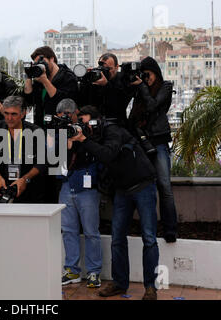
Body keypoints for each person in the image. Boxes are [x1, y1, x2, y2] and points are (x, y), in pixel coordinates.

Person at [75, 105, 159, 300]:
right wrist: (74, 141)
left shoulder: (113, 131)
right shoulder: (92, 137)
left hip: (143, 184)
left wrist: (83, 140)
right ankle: (120, 283)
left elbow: (107, 154)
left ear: (97, 121)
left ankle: (150, 287)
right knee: (117, 239)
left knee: (149, 238)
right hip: (122, 189)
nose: (85, 127)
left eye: (87, 123)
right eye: (82, 124)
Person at [128, 56, 178, 243]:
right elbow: (134, 115)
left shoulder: (165, 87)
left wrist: (142, 87)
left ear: (156, 73)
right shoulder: (140, 90)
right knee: (145, 187)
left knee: (164, 185)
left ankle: (170, 229)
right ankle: (147, 227)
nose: (146, 78)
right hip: (143, 143)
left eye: (147, 75)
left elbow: (153, 106)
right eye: (143, 75)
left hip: (159, 141)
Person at [56, 99, 102, 288]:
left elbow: (97, 153)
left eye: (67, 117)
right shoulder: (59, 131)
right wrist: (63, 140)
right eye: (61, 118)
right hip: (67, 185)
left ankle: (94, 272)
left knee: (91, 232)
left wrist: (81, 136)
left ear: (75, 113)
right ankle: (72, 270)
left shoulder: (90, 129)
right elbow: (54, 158)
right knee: (68, 230)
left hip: (87, 186)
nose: (65, 121)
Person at [0, 96, 46, 203]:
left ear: (23, 113)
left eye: (13, 114)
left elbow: (42, 163)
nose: (9, 118)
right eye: (6, 113)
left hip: (30, 192)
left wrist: (25, 179)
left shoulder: (36, 131)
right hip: (1, 190)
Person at [24, 46, 78, 128]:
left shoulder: (68, 77)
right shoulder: (40, 77)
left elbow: (62, 101)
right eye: (37, 63)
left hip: (61, 128)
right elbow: (28, 99)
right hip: (41, 127)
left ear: (52, 59)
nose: (41, 65)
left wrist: (45, 81)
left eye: (42, 62)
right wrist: (29, 75)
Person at [79, 53, 136, 128]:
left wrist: (106, 85)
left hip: (116, 125)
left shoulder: (124, 80)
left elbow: (120, 104)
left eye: (109, 69)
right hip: (95, 125)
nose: (105, 71)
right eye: (102, 68)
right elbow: (84, 102)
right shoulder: (95, 79)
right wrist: (86, 80)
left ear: (117, 67)